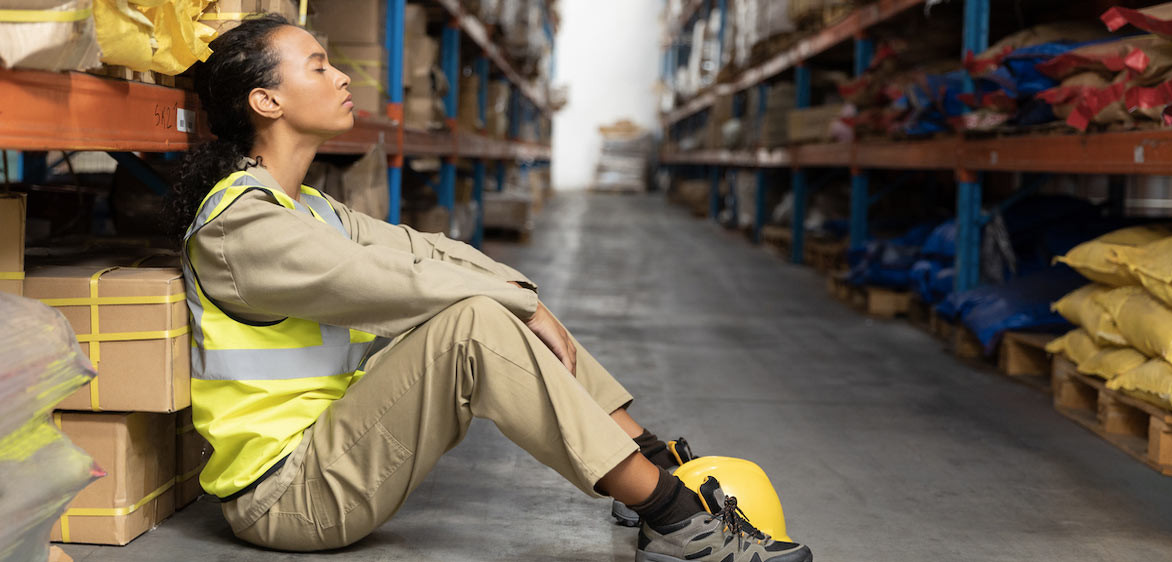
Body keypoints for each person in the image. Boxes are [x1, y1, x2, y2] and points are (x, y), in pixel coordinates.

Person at [170, 14, 812, 562]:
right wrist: (519, 305)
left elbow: (428, 249)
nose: (341, 77)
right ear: (266, 101)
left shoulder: (309, 207)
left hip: (333, 454)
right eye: (317, 67)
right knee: (475, 321)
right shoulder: (243, 226)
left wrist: (527, 297)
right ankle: (675, 518)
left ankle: (648, 458)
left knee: (491, 296)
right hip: (289, 499)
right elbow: (395, 280)